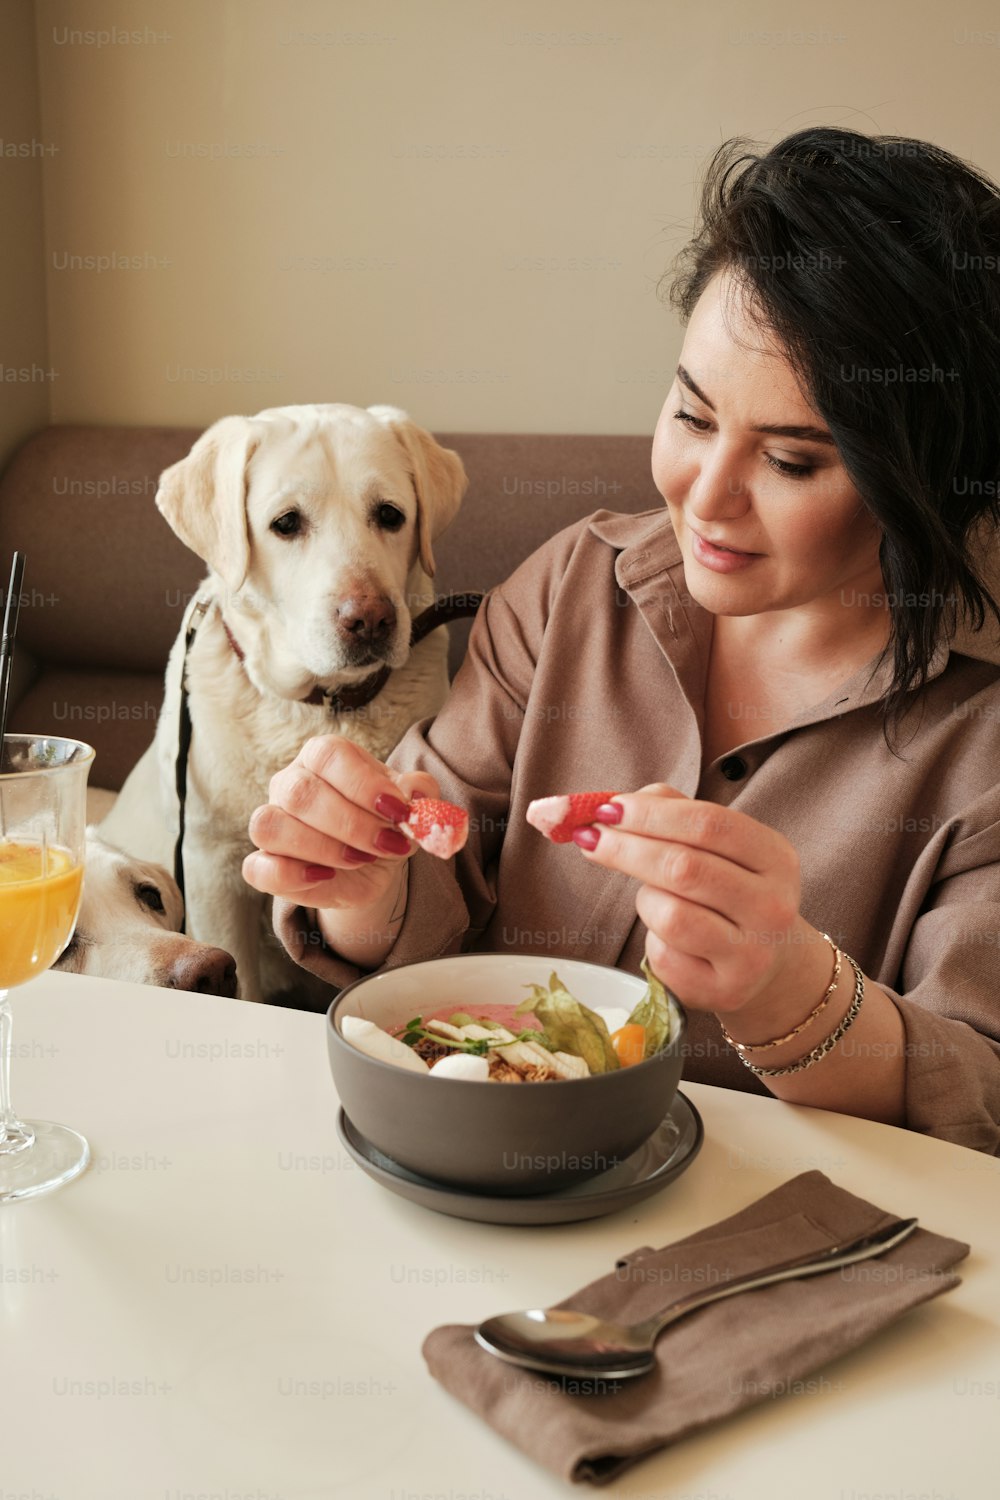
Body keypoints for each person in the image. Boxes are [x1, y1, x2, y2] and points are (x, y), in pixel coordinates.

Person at [244, 127, 1000, 1154]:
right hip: (483, 1191)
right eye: (691, 416)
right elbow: (434, 890)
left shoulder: (981, 728)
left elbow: (981, 1094)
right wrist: (366, 884)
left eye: (788, 461)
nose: (704, 494)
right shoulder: (571, 590)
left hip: (785, 1259)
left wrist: (792, 992)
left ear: (928, 479)